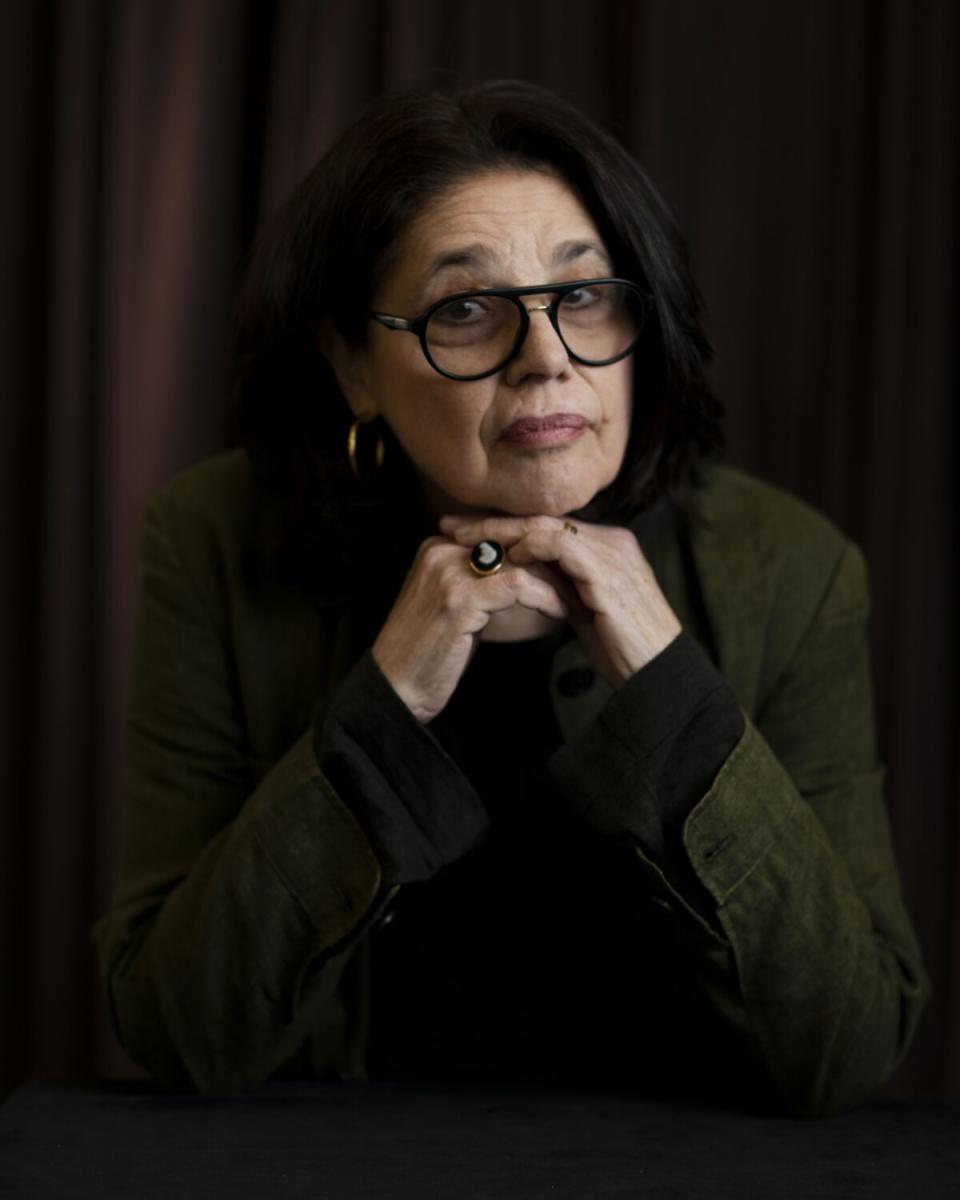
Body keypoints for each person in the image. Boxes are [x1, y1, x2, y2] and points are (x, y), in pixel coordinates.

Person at [92, 80, 928, 1117]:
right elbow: (182, 1032)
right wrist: (385, 704)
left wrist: (673, 697)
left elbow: (847, 1048)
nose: (547, 361)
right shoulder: (214, 544)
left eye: (583, 297)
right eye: (467, 311)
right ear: (354, 364)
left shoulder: (792, 569)